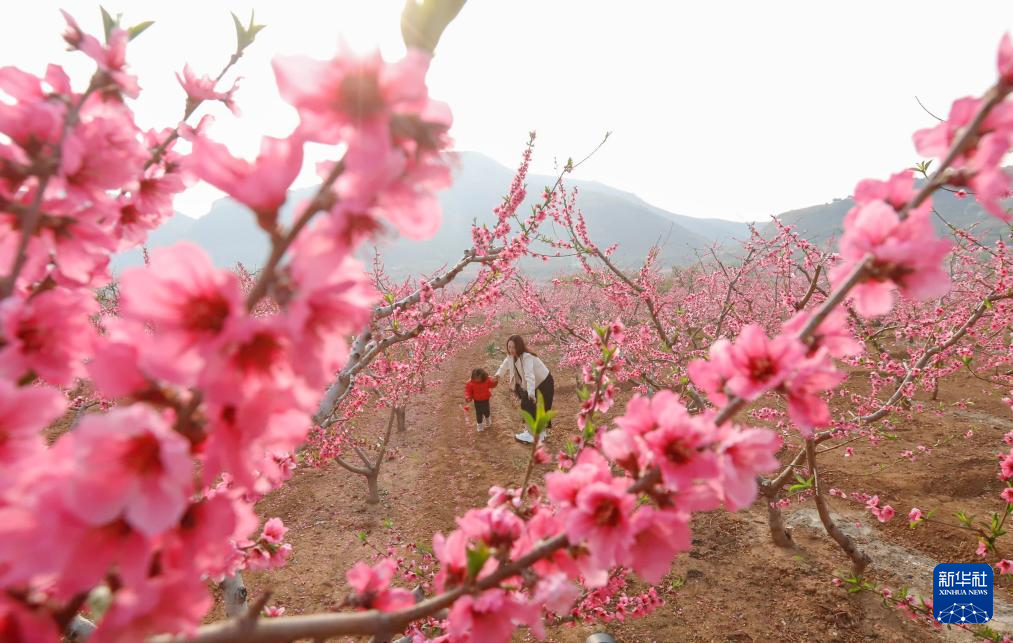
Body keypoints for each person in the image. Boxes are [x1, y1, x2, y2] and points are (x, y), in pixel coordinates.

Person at [493, 334, 554, 444]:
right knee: (532, 406)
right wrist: (498, 375)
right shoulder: (511, 356)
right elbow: (505, 364)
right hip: (534, 383)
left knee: (530, 406)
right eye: (509, 347)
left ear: (519, 346)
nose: (511, 349)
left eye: (514, 347)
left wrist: (531, 394)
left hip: (544, 382)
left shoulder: (526, 357)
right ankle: (539, 434)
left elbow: (530, 376)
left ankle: (532, 434)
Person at [464, 368, 496, 432]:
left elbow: (492, 385)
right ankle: (480, 426)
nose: (476, 379)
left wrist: (495, 382)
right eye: (475, 378)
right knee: (479, 413)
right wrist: (468, 397)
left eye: (478, 378)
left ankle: (488, 421)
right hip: (477, 401)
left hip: (485, 400)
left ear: (483, 377)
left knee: (487, 411)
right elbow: (468, 391)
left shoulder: (487, 380)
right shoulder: (470, 383)